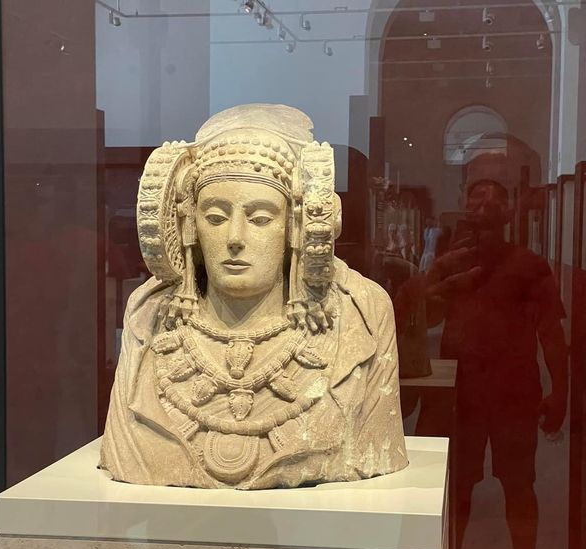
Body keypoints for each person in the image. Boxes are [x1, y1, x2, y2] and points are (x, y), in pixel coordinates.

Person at [100, 104, 408, 489]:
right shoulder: (149, 314)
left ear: (296, 227)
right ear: (188, 225)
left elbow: (375, 443)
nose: (235, 238)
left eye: (260, 218)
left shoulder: (362, 312)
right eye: (215, 217)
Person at [424, 178, 568, 549]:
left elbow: (550, 332)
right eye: (476, 196)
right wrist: (442, 276)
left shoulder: (529, 265)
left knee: (519, 486)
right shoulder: (450, 261)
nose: (485, 204)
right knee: (458, 486)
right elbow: (423, 316)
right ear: (463, 204)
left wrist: (561, 391)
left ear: (509, 213)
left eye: (496, 198)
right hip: (460, 390)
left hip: (513, 391)